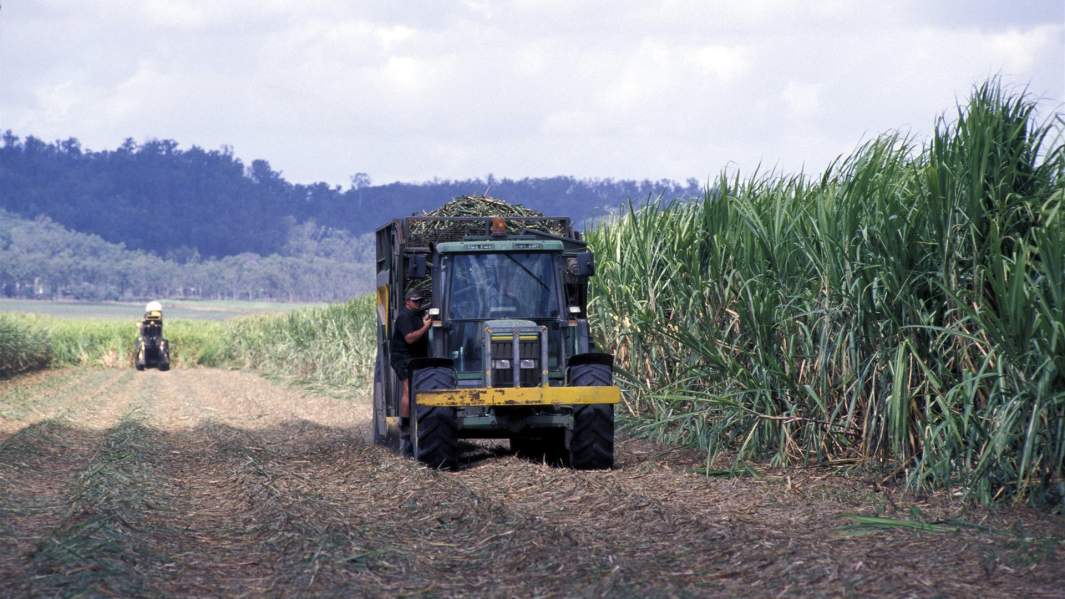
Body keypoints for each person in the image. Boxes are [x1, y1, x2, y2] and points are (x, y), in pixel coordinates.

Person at [391, 290, 431, 448]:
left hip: (415, 357)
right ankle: (405, 426)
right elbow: (410, 338)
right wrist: (426, 326)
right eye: (415, 301)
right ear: (407, 301)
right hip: (402, 357)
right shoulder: (404, 316)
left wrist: (424, 319)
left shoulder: (415, 314)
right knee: (407, 388)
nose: (418, 303)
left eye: (420, 301)